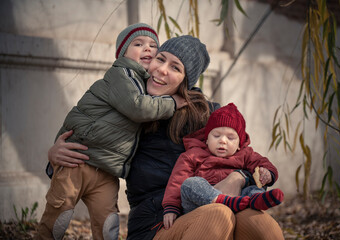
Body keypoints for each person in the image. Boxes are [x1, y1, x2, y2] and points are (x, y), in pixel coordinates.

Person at [47, 35, 285, 240]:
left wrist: (240, 177)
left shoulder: (207, 115)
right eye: (160, 59)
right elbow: (93, 135)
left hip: (211, 207)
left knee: (260, 224)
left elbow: (245, 156)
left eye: (175, 67)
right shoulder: (129, 108)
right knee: (216, 215)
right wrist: (56, 152)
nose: (162, 70)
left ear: (186, 81)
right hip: (156, 225)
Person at [37, 23, 186, 240]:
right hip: (79, 161)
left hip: (107, 171)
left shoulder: (147, 85)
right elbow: (137, 107)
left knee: (108, 226)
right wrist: (172, 103)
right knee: (58, 217)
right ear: (122, 52)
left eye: (153, 45)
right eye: (138, 44)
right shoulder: (121, 74)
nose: (148, 48)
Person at [162, 102, 284, 229]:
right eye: (216, 135)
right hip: (200, 206)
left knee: (252, 189)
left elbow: (262, 162)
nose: (222, 140)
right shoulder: (192, 155)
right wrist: (171, 207)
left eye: (230, 138)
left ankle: (257, 200)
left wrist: (267, 173)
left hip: (238, 201)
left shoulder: (245, 154)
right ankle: (227, 201)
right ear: (207, 139)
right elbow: (177, 181)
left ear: (239, 144)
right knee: (190, 184)